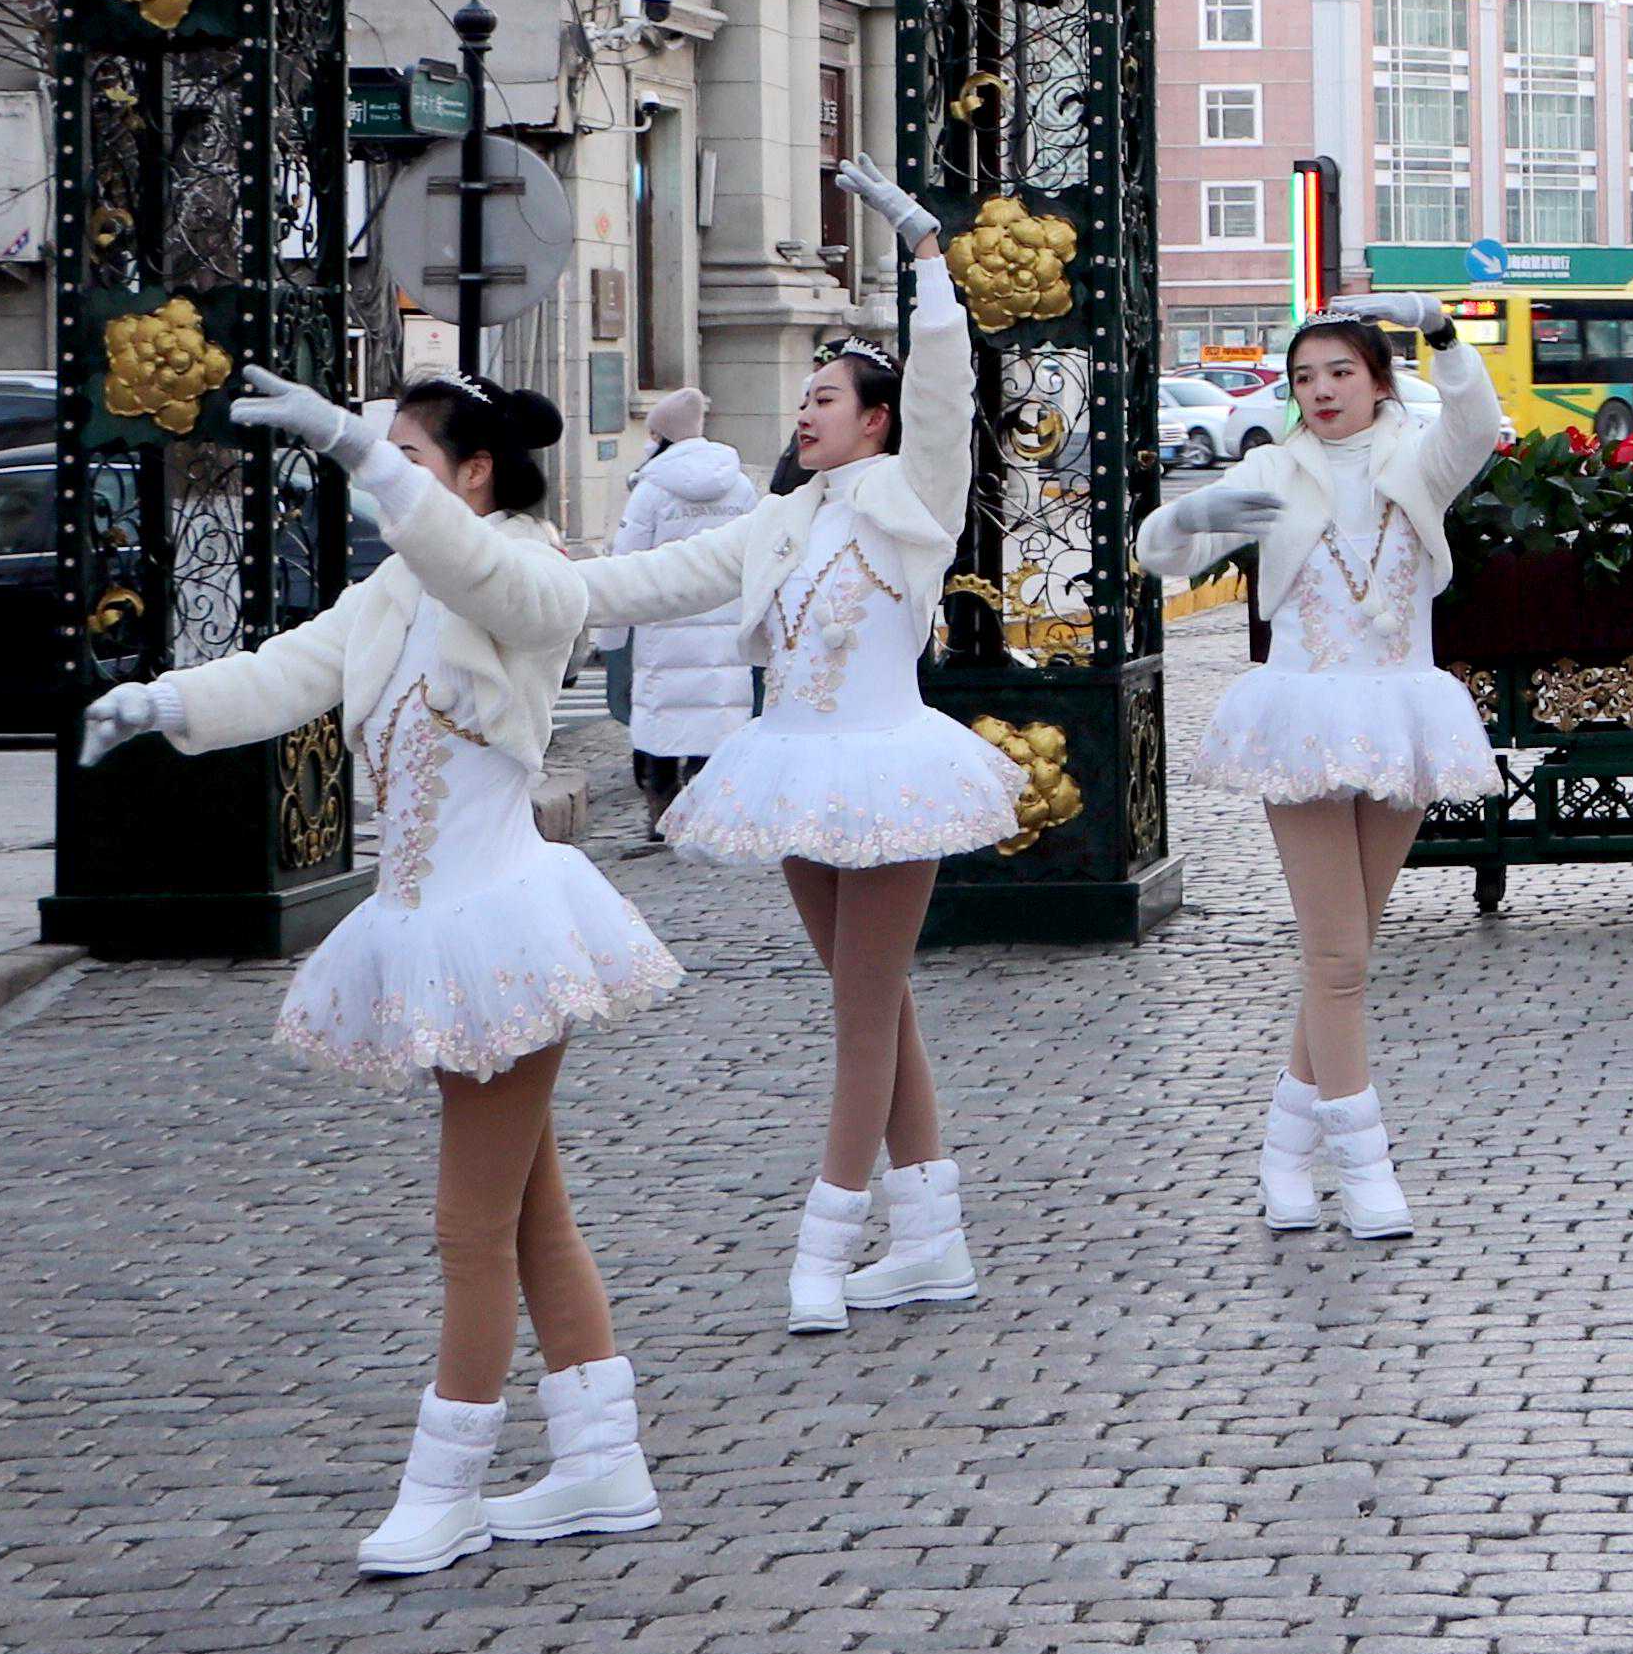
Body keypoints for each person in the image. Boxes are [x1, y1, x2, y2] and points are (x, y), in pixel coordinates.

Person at [79, 367, 748, 1576]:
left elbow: (478, 571)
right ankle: (601, 1459)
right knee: (528, 1211)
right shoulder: (395, 589)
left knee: (468, 1226)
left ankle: (446, 1485)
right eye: (379, 453)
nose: (379, 477)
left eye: (409, 455)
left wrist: (359, 450)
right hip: (431, 926)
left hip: (499, 930)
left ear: (473, 473)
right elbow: (289, 669)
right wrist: (161, 700)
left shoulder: (526, 574)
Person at [637, 168, 1021, 1329]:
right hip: (794, 769)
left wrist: (928, 258)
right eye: (800, 399)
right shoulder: (783, 520)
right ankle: (932, 1240)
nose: (803, 413)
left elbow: (947, 390)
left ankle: (825, 1244)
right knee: (878, 1006)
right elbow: (652, 579)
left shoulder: (914, 497)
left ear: (876, 420)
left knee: (861, 1017)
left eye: (825, 397)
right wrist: (516, 582)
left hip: (890, 770)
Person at [1134, 294, 1503, 1235]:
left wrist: (1443, 330)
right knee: (1336, 957)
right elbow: (1163, 556)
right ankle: (1364, 1161)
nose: (1322, 390)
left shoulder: (1419, 459)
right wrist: (1191, 515)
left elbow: (1477, 424)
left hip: (1402, 712)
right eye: (1304, 377)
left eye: (1341, 372)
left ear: (1380, 381)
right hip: (1301, 715)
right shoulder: (1270, 466)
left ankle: (1283, 1152)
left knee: (1348, 953)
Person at [612, 387, 761, 814]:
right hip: (726, 623)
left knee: (663, 723)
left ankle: (663, 809)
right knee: (720, 717)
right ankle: (713, 810)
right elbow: (756, 554)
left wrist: (611, 633)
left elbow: (626, 562)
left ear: (661, 436)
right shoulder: (740, 486)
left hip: (665, 624)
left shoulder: (651, 491)